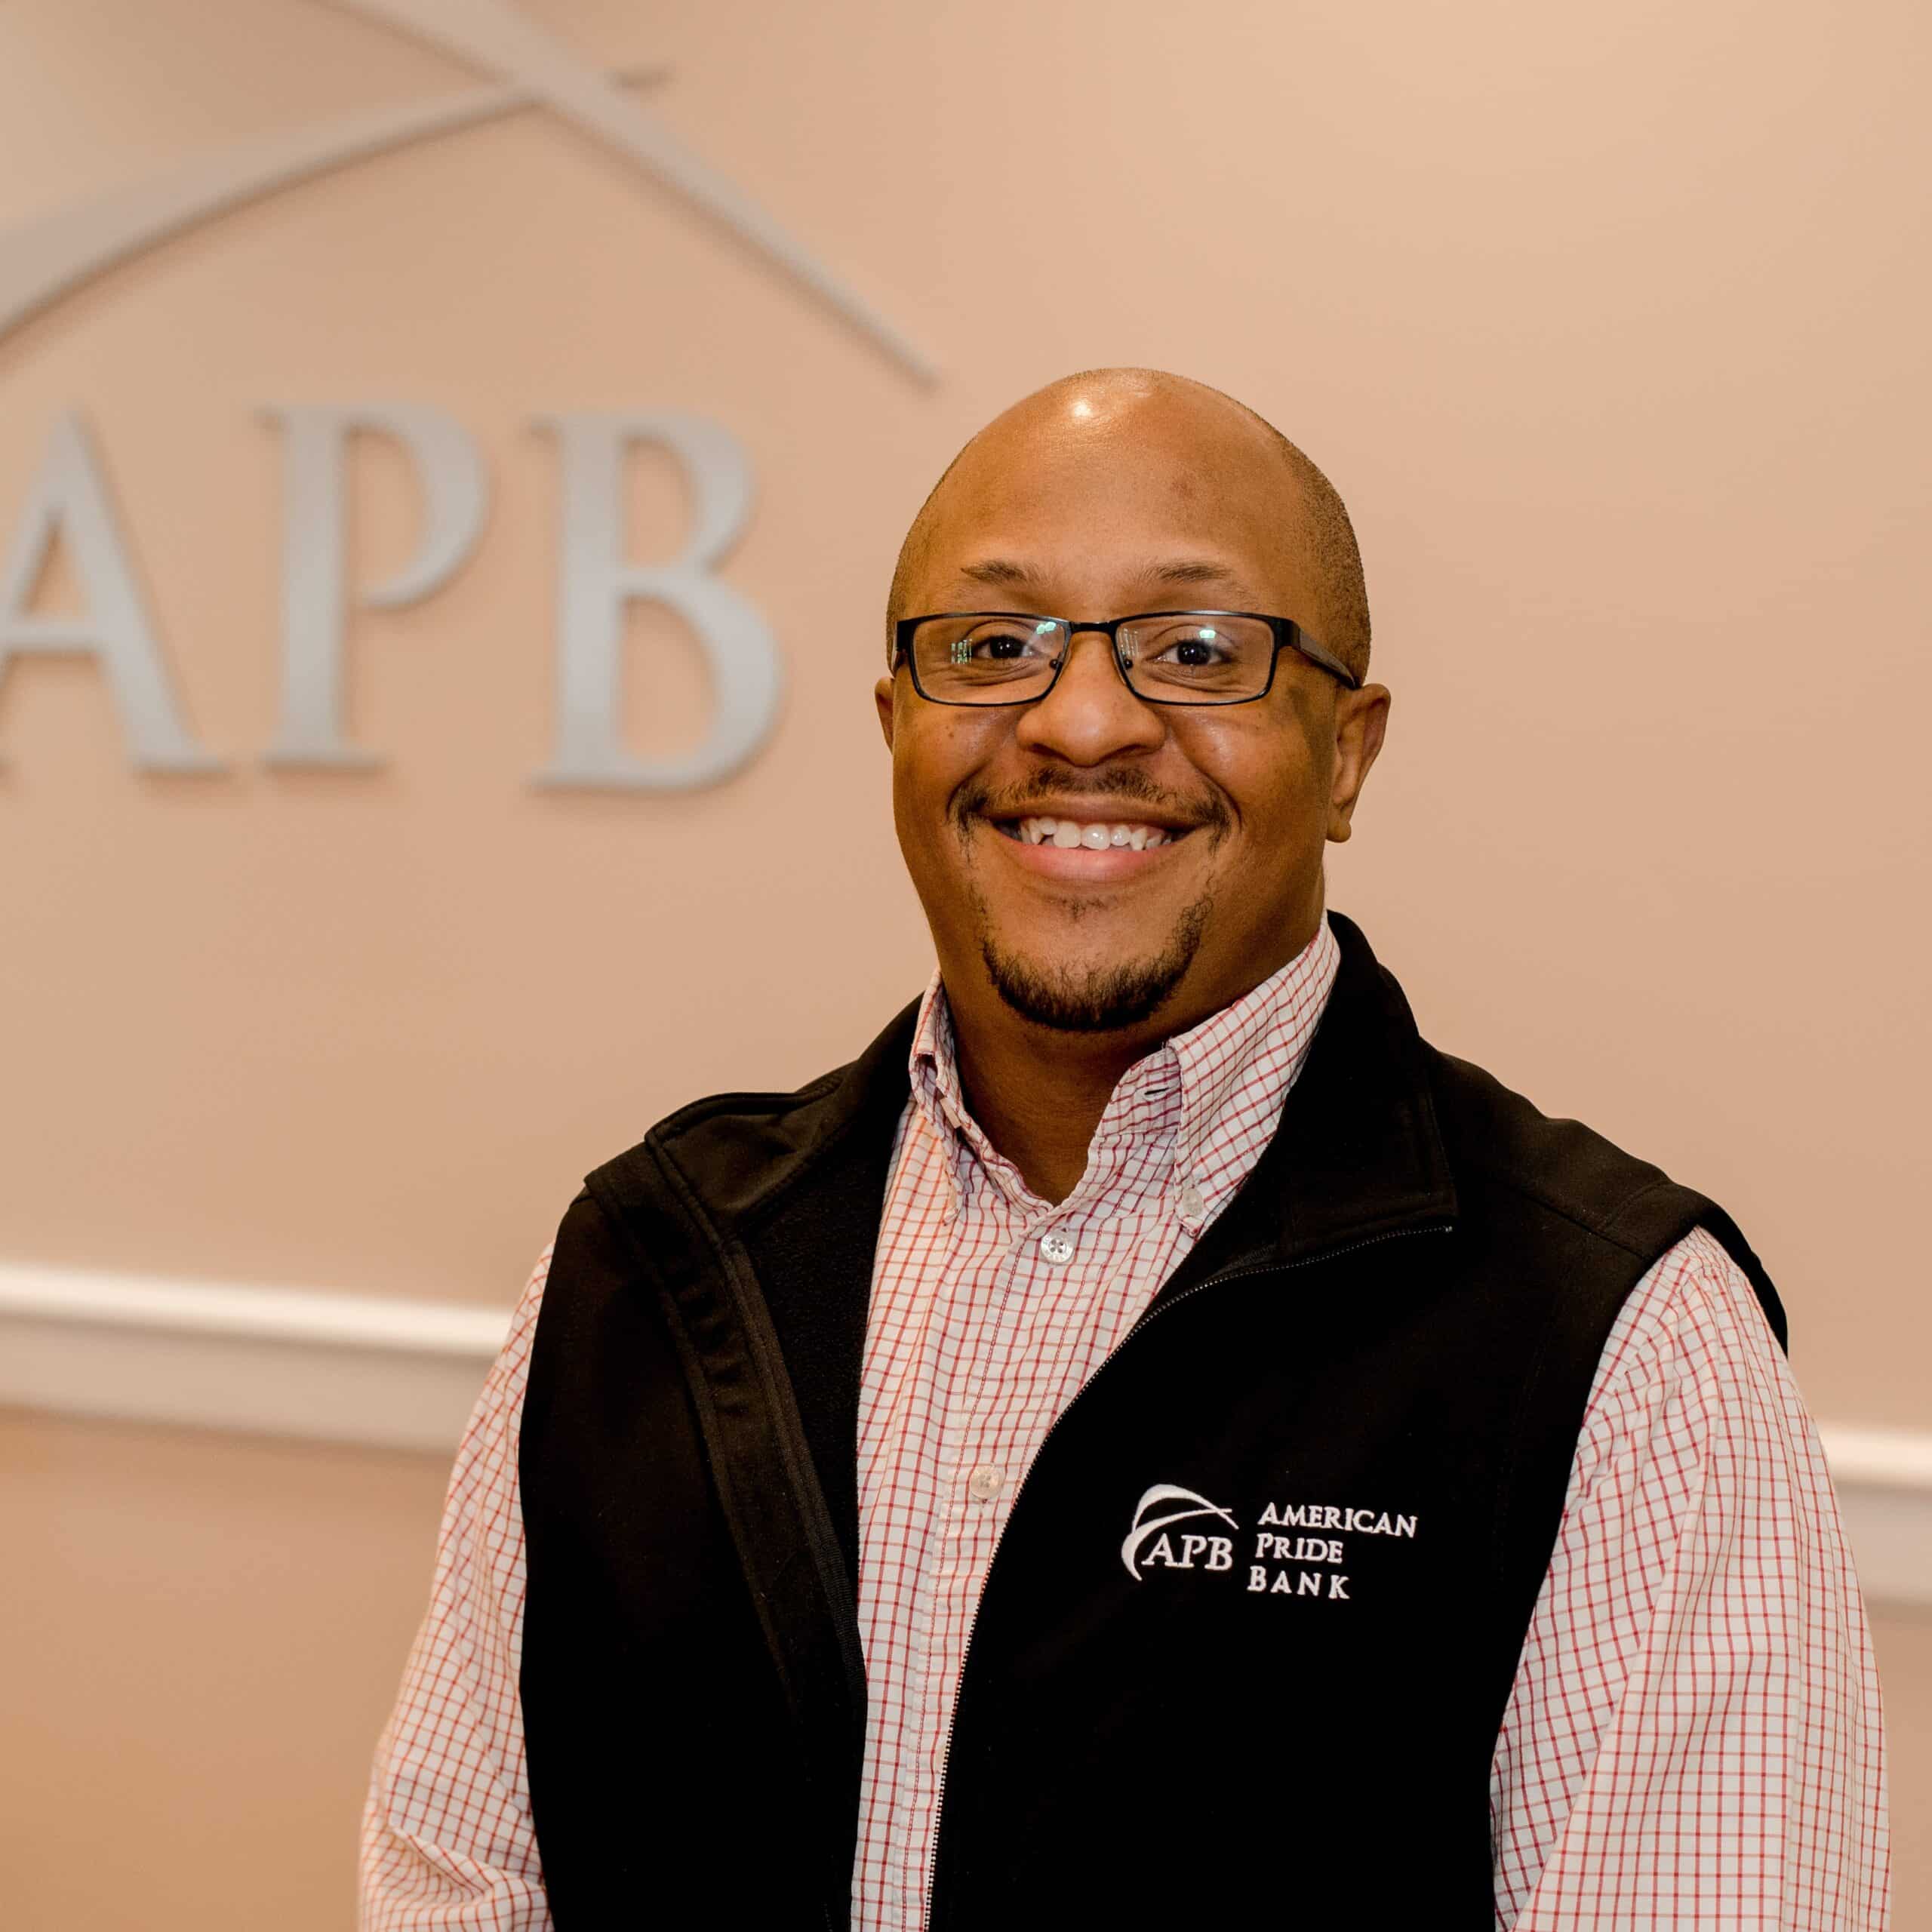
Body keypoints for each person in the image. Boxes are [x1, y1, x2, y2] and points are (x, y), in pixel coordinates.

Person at [361, 369, 1887, 1929]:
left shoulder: (1617, 1344)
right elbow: (467, 1875)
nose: (1082, 721)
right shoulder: (649, 1266)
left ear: (1345, 749)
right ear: (896, 727)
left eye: (1195, 649)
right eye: (992, 644)